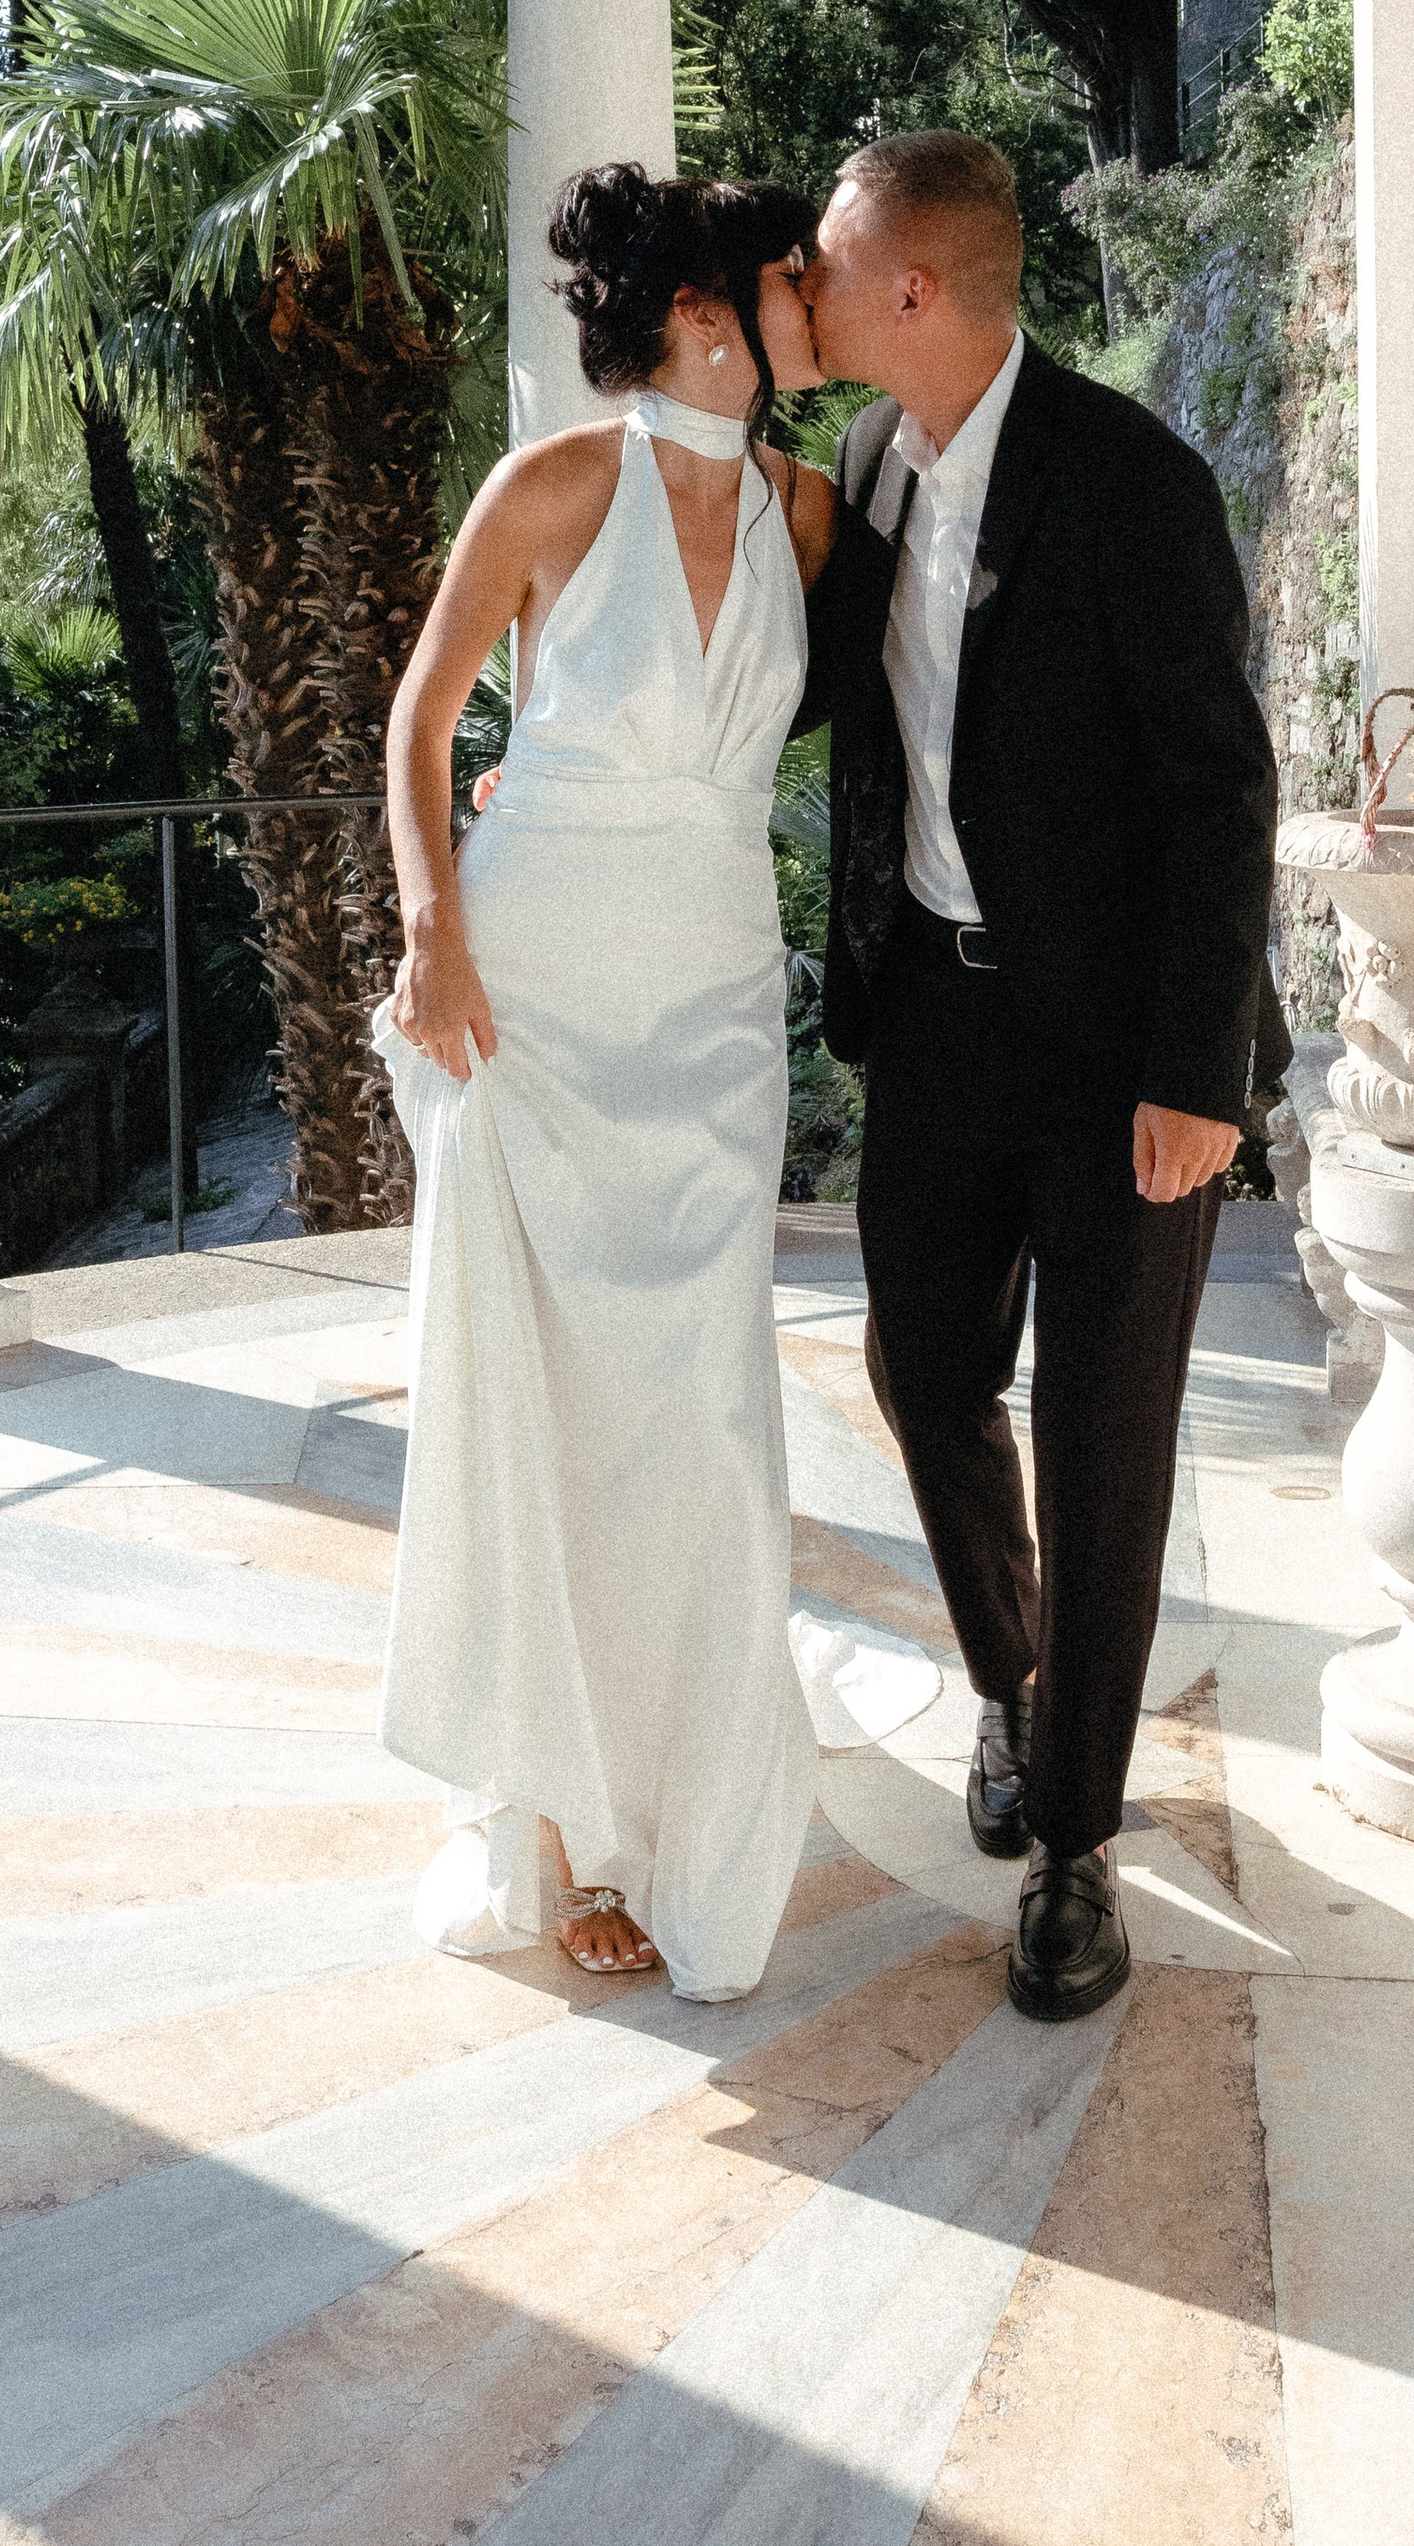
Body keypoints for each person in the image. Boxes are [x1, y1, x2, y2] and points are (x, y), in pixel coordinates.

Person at [803, 130, 1282, 2022]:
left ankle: (1077, 1837)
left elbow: (1218, 787)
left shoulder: (1129, 485)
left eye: (833, 269)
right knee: (923, 1375)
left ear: (913, 292)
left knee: (1101, 1436)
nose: (810, 296)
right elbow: (818, 697)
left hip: (1119, 1058)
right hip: (934, 1017)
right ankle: (1011, 1685)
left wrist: (1198, 1071)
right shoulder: (863, 462)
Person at [377, 163, 834, 1998]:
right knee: (547, 1400)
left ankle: (697, 1802)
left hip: (716, 991)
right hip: (536, 981)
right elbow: (421, 714)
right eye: (793, 277)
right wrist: (434, 934)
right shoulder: (556, 484)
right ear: (713, 312)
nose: (819, 297)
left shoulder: (811, 509)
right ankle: (557, 1825)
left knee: (706, 1413)